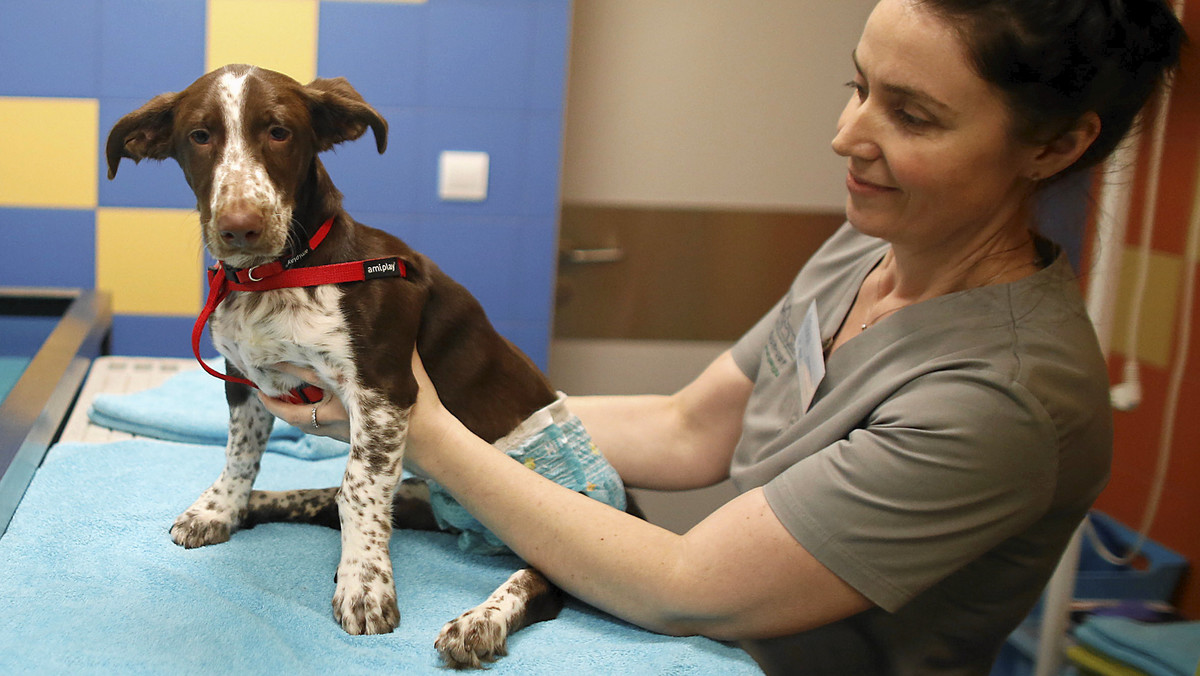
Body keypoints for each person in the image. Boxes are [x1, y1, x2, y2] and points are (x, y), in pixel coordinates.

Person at [260, 1, 1186, 673]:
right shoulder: (866, 246)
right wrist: (410, 415)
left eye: (911, 115)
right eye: (857, 87)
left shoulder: (1005, 397)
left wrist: (419, 428)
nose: (845, 136)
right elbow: (688, 428)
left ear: (1055, 147)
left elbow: (688, 582)